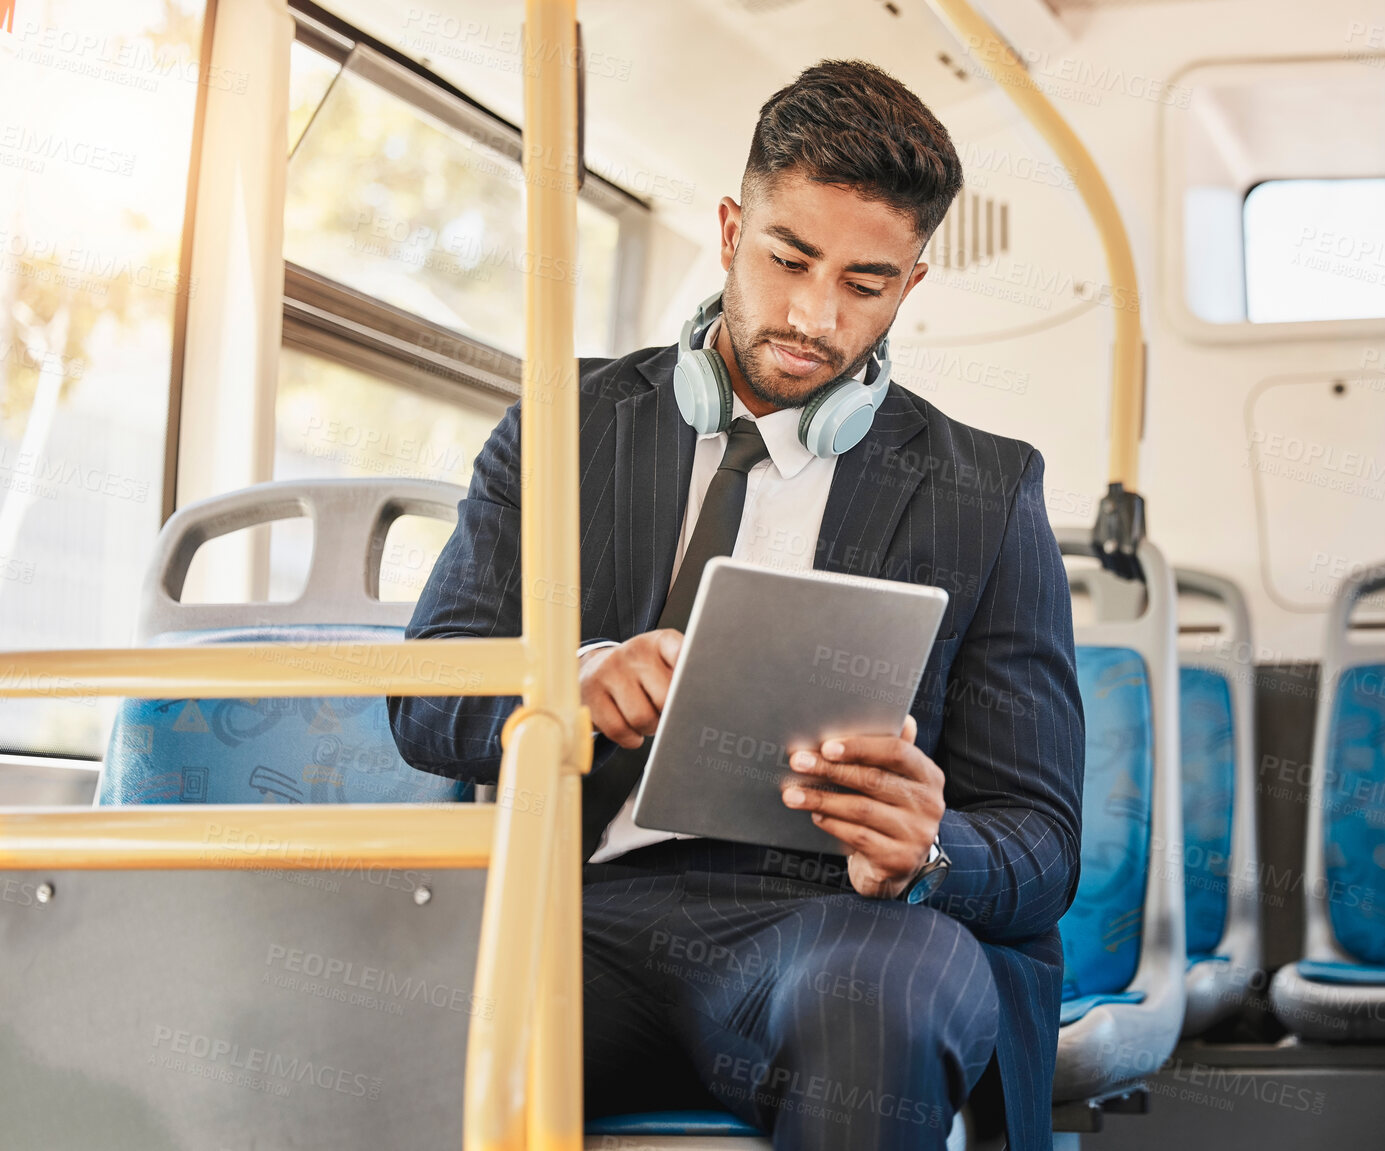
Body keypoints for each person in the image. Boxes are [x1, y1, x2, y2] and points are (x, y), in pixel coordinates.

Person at [389, 59, 1084, 1151]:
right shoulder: (564, 425)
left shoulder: (987, 493)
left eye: (864, 282)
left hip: (836, 930)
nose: (814, 314)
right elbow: (426, 693)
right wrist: (562, 679)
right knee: (364, 1021)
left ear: (909, 287)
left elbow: (1040, 842)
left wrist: (930, 847)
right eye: (788, 258)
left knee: (884, 997)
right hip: (580, 910)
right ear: (727, 230)